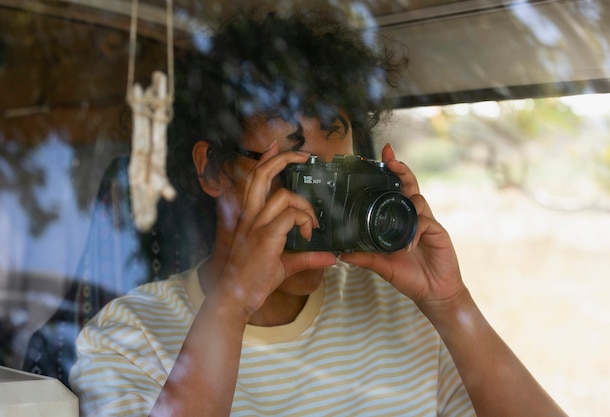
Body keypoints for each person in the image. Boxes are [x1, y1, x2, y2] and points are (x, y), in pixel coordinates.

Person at [69, 10, 568, 417]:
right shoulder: (129, 338)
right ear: (214, 169)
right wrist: (232, 306)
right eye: (296, 175)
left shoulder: (398, 312)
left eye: (339, 178)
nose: (315, 208)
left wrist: (451, 305)